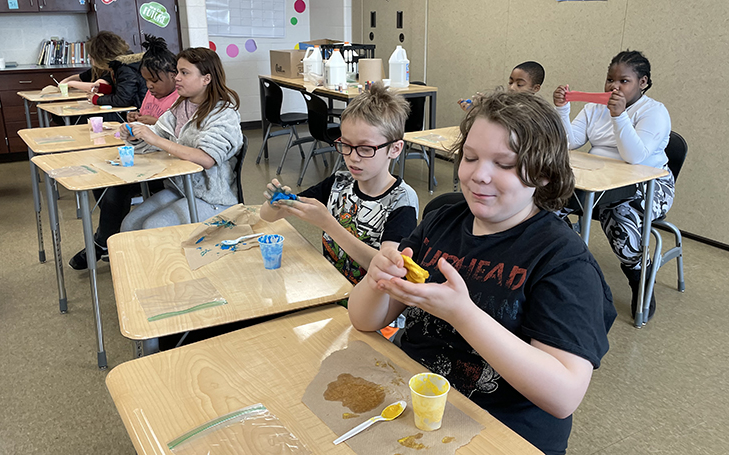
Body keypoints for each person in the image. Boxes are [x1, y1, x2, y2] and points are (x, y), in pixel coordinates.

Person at [348, 90, 616, 455]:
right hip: (416, 407)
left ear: (543, 173)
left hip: (500, 431)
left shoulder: (563, 261)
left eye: (503, 164)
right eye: (470, 158)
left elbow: (564, 395)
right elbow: (365, 320)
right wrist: (377, 279)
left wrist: (463, 314)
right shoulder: (441, 222)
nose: (479, 176)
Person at [260, 83, 419, 287]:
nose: (352, 158)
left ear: (395, 149)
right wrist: (275, 204)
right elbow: (267, 217)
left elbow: (388, 268)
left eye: (365, 148)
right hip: (332, 291)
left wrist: (328, 224)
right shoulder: (339, 182)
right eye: (346, 145)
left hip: (372, 309)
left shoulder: (402, 200)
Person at [553, 50, 673, 320]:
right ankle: (560, 261)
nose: (613, 87)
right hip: (598, 181)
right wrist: (562, 109)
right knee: (546, 205)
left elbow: (636, 157)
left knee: (619, 216)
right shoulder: (594, 107)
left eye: (624, 81)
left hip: (648, 184)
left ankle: (639, 277)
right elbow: (568, 142)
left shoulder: (654, 112)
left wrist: (619, 116)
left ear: (642, 83)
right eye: (610, 79)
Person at [67, 35, 178, 269]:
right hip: (146, 153)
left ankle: (101, 242)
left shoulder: (178, 98)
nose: (147, 86)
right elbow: (145, 116)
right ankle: (106, 239)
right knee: (102, 178)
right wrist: (137, 119)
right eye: (146, 81)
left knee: (116, 186)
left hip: (164, 163)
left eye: (152, 81)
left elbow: (177, 133)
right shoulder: (153, 91)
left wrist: (153, 124)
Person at [119, 47, 243, 231]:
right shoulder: (180, 107)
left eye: (184, 73)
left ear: (206, 79)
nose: (177, 77)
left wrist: (155, 139)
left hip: (213, 198)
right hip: (181, 188)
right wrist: (136, 135)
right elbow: (157, 134)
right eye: (177, 71)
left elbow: (206, 158)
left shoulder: (223, 113)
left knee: (153, 226)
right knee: (130, 223)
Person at [59, 31, 146, 109]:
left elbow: (123, 99)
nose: (89, 56)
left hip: (139, 112)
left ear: (101, 55)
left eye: (91, 54)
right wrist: (104, 89)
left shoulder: (125, 69)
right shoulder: (117, 67)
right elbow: (124, 91)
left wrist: (96, 99)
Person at [127, 34, 180, 125]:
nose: (149, 86)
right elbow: (145, 114)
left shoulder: (180, 99)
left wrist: (157, 123)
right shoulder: (151, 93)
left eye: (154, 80)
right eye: (146, 80)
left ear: (173, 76)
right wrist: (136, 116)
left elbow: (181, 134)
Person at [458, 61, 545, 111]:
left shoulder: (534, 113)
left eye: (519, 84)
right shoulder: (504, 103)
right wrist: (480, 108)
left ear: (535, 88)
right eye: (510, 82)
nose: (512, 88)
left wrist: (479, 114)